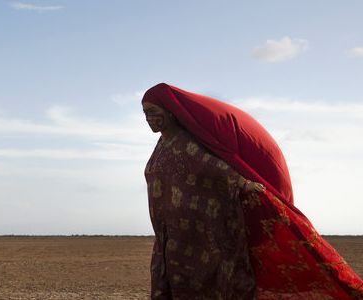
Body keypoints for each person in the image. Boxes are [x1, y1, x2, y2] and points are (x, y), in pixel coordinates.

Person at [142, 83, 363, 299]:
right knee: (175, 277)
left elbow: (211, 166)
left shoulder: (184, 142)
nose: (148, 119)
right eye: (145, 114)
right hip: (171, 234)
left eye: (153, 112)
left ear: (170, 112)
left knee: (205, 279)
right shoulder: (162, 145)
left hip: (201, 233)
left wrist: (242, 182)